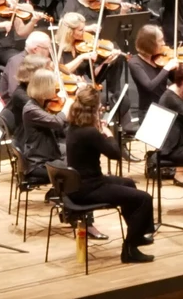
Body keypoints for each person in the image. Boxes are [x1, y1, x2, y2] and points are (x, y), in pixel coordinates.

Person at [64, 87, 156, 263]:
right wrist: (108, 134)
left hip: (81, 184)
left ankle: (135, 236)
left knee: (128, 184)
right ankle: (129, 249)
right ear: (93, 110)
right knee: (144, 198)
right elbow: (115, 154)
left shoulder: (74, 127)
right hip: (89, 188)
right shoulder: (90, 133)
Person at [19, 69, 67, 184]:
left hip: (47, 151)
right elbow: (57, 122)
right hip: (38, 162)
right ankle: (63, 196)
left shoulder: (41, 102)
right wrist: (66, 108)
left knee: (75, 151)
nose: (56, 88)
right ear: (44, 88)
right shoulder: (31, 110)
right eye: (52, 84)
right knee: (74, 170)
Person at [130, 25, 180, 117]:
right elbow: (149, 87)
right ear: (150, 44)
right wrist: (167, 68)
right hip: (149, 112)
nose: (164, 43)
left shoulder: (160, 58)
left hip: (166, 107)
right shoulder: (135, 63)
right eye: (160, 40)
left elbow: (176, 79)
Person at [1, 32, 52, 100]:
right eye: (47, 48)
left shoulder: (36, 61)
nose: (50, 51)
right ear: (35, 49)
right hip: (15, 105)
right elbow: (15, 93)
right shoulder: (17, 63)